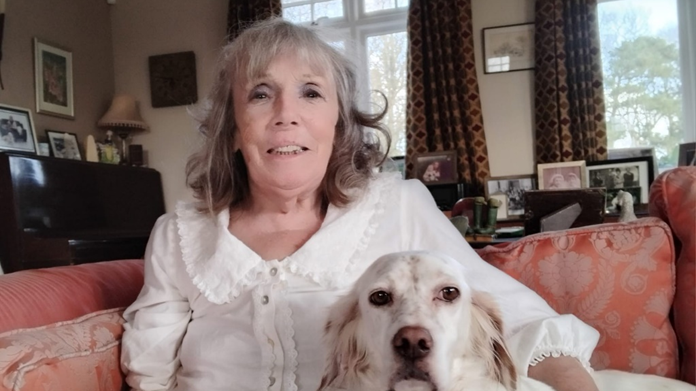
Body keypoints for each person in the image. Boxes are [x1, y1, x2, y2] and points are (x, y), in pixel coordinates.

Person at [121, 18, 600, 391]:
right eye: (261, 94)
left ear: (339, 125)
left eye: (311, 93)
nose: (287, 115)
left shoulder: (399, 206)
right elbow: (151, 372)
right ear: (231, 130)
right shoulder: (179, 235)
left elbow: (518, 318)